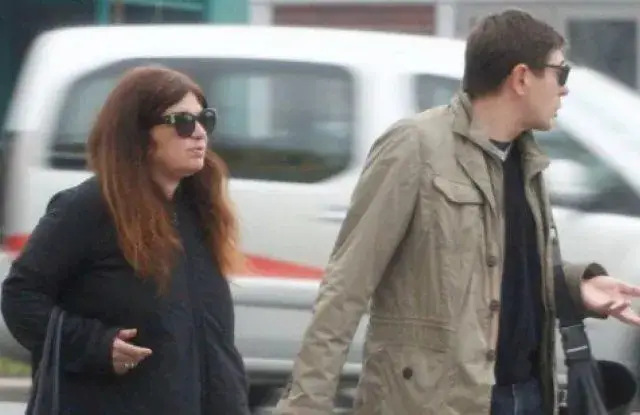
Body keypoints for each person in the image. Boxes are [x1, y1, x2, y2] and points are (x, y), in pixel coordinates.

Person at [275, 9, 640, 415]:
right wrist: (305, 405)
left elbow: (497, 267)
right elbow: (346, 287)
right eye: (560, 73)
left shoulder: (527, 160)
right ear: (521, 78)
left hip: (528, 394)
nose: (565, 89)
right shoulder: (415, 147)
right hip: (436, 402)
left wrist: (574, 286)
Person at [1, 65, 250, 414]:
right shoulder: (87, 208)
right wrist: (94, 346)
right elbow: (21, 298)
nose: (198, 133)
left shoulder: (199, 211)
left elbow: (214, 343)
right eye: (182, 122)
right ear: (138, 134)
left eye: (204, 119)